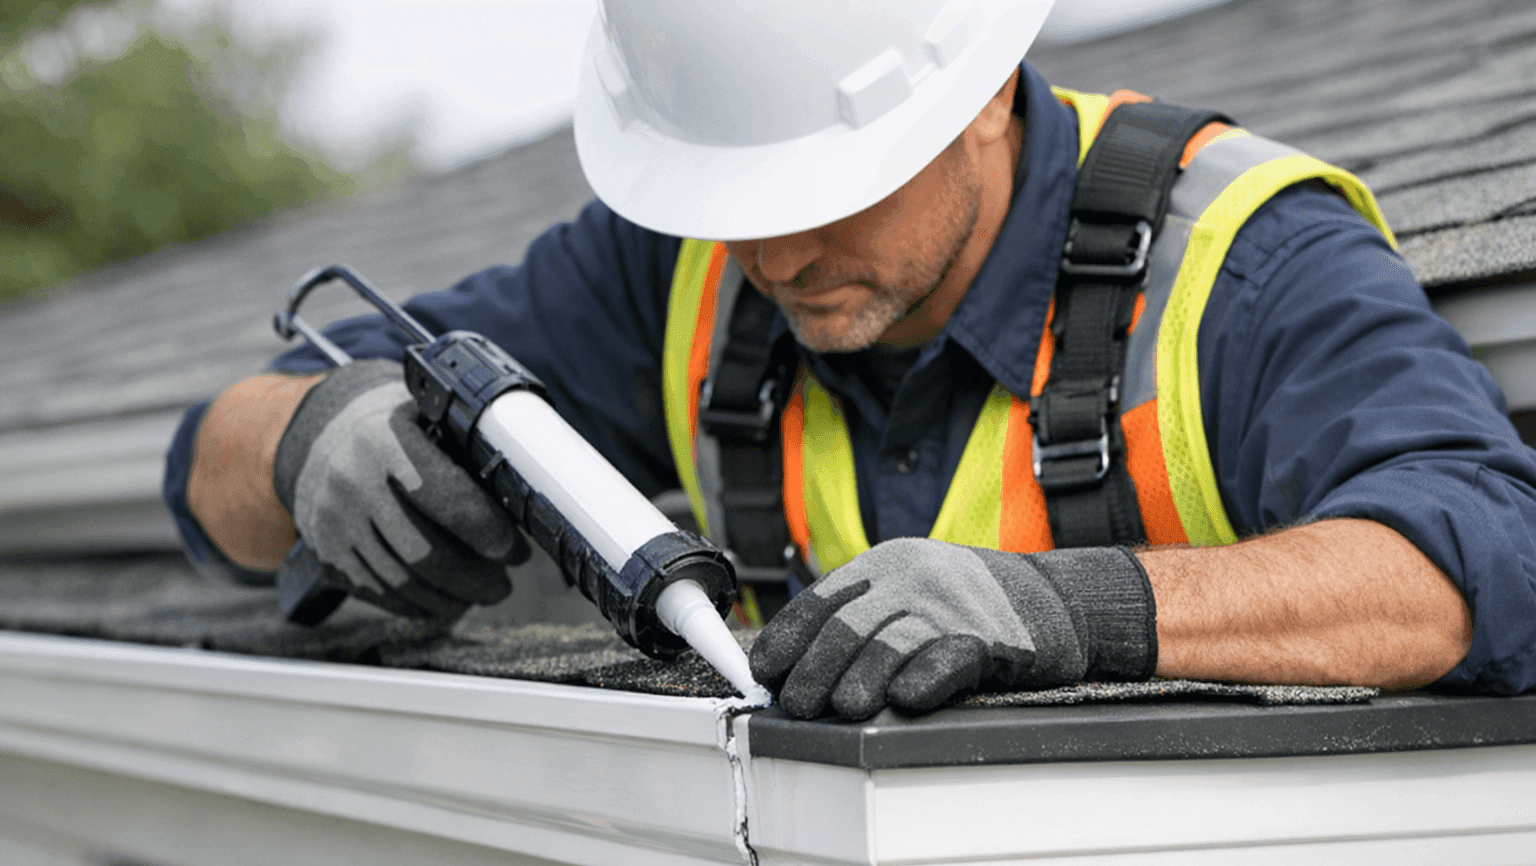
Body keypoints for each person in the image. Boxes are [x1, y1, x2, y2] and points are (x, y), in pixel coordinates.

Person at [163, 0, 1536, 720]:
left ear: (985, 99)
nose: (772, 252)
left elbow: (1480, 555)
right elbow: (210, 462)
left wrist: (1065, 613)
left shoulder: (1242, 261)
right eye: (733, 198)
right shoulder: (677, 267)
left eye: (827, 189)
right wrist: (301, 440)